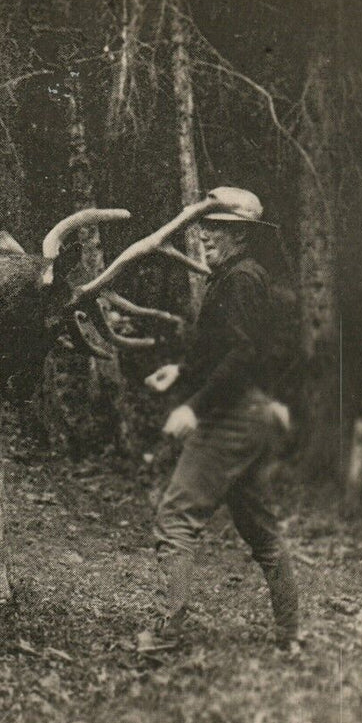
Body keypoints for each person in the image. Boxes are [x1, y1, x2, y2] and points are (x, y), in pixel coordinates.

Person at [140, 187, 300, 654]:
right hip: (251, 414)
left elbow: (245, 354)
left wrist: (195, 406)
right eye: (206, 226)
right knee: (259, 528)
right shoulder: (237, 277)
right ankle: (289, 635)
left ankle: (165, 634)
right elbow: (226, 349)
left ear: (243, 236)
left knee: (175, 519)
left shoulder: (240, 280)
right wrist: (183, 372)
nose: (206, 235)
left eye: (220, 228)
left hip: (232, 415)